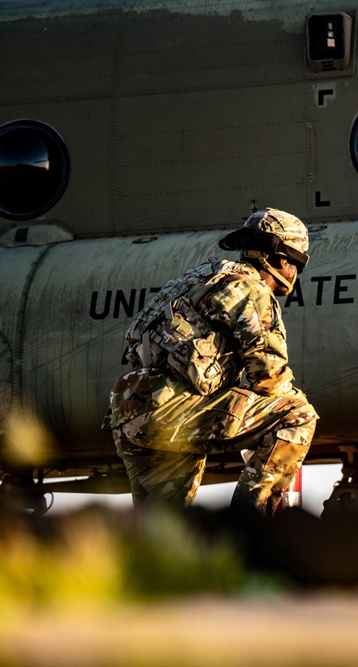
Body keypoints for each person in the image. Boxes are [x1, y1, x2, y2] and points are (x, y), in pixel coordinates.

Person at [103, 208, 319, 517]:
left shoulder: (199, 277)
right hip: (176, 407)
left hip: (132, 409)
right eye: (297, 260)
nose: (295, 270)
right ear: (282, 258)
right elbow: (269, 378)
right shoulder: (252, 291)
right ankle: (247, 528)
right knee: (296, 414)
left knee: (165, 530)